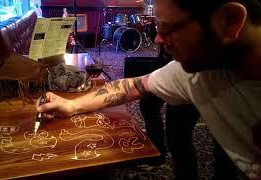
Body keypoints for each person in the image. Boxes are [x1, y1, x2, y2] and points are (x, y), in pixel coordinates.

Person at [37, 0, 261, 178]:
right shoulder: (193, 71)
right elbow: (131, 85)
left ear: (230, 21)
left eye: (167, 29)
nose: (157, 39)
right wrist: (71, 104)